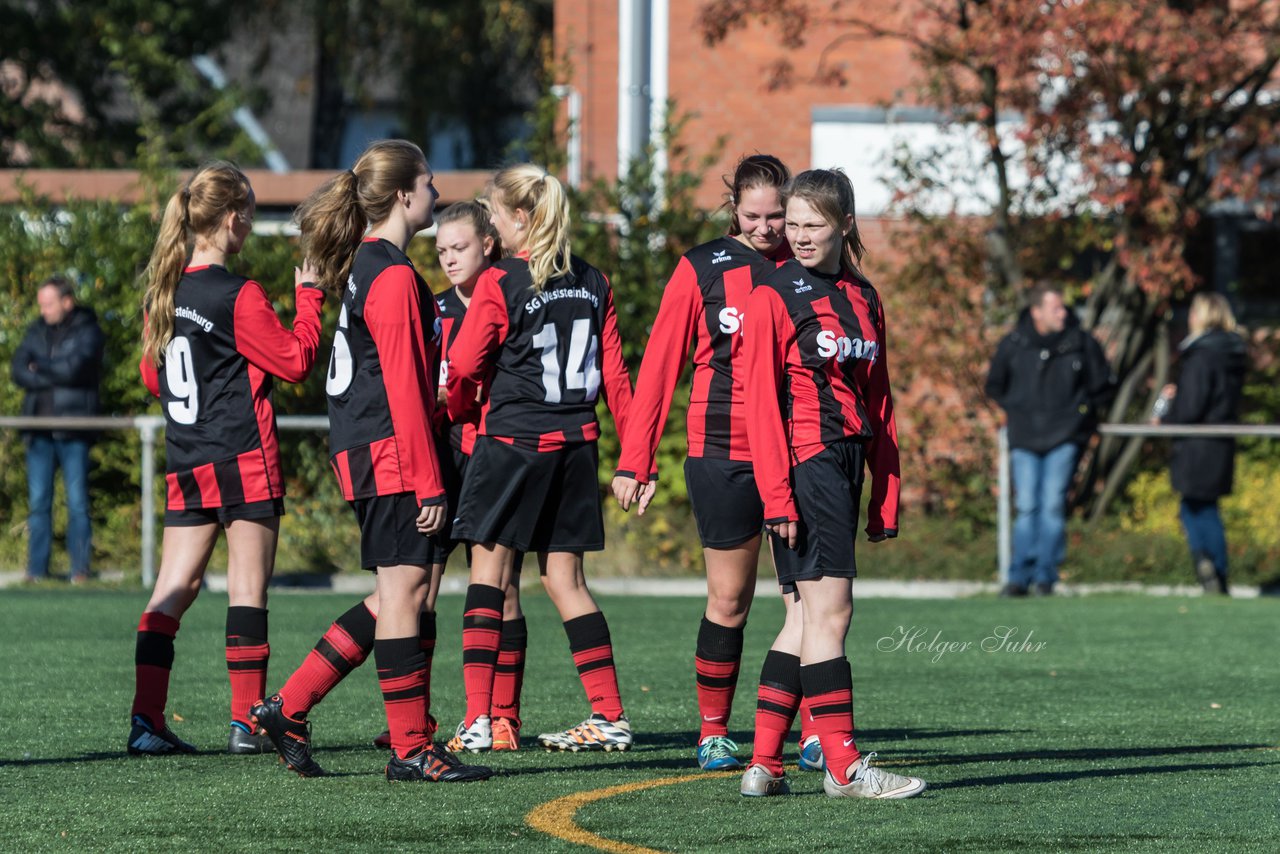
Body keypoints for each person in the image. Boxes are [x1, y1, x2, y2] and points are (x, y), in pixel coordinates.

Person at [250, 140, 491, 783]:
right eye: (430, 183)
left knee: (395, 594)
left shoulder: (373, 264)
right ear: (404, 195)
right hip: (388, 453)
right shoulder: (389, 275)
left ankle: (290, 708)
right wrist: (428, 478)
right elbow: (405, 392)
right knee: (407, 591)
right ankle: (410, 748)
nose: (437, 194)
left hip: (374, 449)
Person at [612, 154, 825, 773]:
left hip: (797, 455)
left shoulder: (808, 268)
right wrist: (636, 460)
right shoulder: (702, 267)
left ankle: (815, 731)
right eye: (754, 216)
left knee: (806, 601)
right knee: (729, 599)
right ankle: (712, 732)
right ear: (734, 208)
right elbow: (659, 367)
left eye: (778, 216)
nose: (767, 228)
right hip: (722, 453)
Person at [126, 162, 325, 757]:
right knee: (247, 590)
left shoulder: (165, 293)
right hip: (242, 454)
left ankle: (145, 722)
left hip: (188, 457)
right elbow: (294, 361)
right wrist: (309, 297)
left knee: (170, 591)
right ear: (235, 218)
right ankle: (245, 724)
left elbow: (149, 375)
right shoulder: (239, 294)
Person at [740, 168, 925, 800]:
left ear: (846, 224)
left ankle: (764, 764)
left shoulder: (864, 297)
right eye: (790, 224)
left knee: (802, 616)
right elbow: (760, 406)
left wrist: (886, 490)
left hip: (845, 463)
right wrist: (777, 497)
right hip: (805, 464)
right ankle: (844, 768)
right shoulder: (773, 294)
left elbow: (880, 400)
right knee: (832, 611)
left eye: (813, 224)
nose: (798, 236)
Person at [445, 163, 636, 753]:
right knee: (566, 580)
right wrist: (635, 456)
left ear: (519, 218)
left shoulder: (501, 281)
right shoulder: (593, 280)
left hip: (513, 444)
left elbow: (466, 366)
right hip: (577, 446)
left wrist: (454, 407)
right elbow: (617, 378)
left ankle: (478, 719)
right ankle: (609, 716)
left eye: (495, 213)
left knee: (489, 576)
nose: (491, 224)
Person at [984, 281, 1113, 596]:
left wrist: (1082, 416)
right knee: (1027, 505)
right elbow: (994, 385)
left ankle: (1045, 576)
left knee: (1052, 504)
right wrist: (1015, 411)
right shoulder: (1014, 344)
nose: (1063, 313)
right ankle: (1018, 577)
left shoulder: (1081, 343)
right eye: (1055, 307)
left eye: (1063, 306)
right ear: (1036, 312)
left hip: (1065, 435)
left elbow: (1102, 386)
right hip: (1024, 436)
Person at [11, 275, 104, 583]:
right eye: (41, 304)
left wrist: (40, 368)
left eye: (48, 304)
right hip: (38, 430)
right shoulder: (36, 330)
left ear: (67, 301)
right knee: (39, 503)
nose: (43, 310)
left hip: (74, 429)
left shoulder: (88, 329)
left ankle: (80, 570)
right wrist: (54, 371)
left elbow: (76, 369)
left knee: (77, 502)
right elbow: (18, 369)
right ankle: (36, 572)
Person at [1153, 292, 1247, 595]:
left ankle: (1207, 564)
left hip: (1197, 443)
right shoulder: (1233, 351)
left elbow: (1192, 405)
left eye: (1193, 313)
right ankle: (1215, 570)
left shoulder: (1201, 354)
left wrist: (1168, 416)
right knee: (1208, 507)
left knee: (1194, 507)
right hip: (1220, 439)